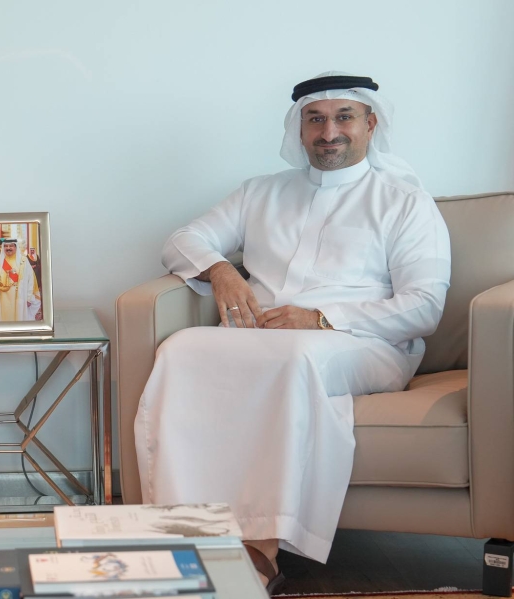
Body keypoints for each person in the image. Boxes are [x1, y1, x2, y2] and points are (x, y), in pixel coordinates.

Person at [134, 72, 450, 594]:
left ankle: (261, 548)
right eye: (315, 119)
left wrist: (321, 318)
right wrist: (220, 270)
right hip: (263, 337)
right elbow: (183, 239)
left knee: (295, 356)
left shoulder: (405, 202)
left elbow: (423, 308)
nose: (329, 132)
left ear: (371, 124)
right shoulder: (260, 192)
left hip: (364, 343)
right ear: (299, 129)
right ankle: (184, 537)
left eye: (344, 117)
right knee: (181, 348)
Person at [0, 238, 41, 321]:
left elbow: (31, 280)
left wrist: (29, 297)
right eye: (6, 246)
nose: (8, 248)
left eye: (11, 246)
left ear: (16, 247)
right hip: (2, 295)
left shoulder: (23, 260)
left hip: (19, 294)